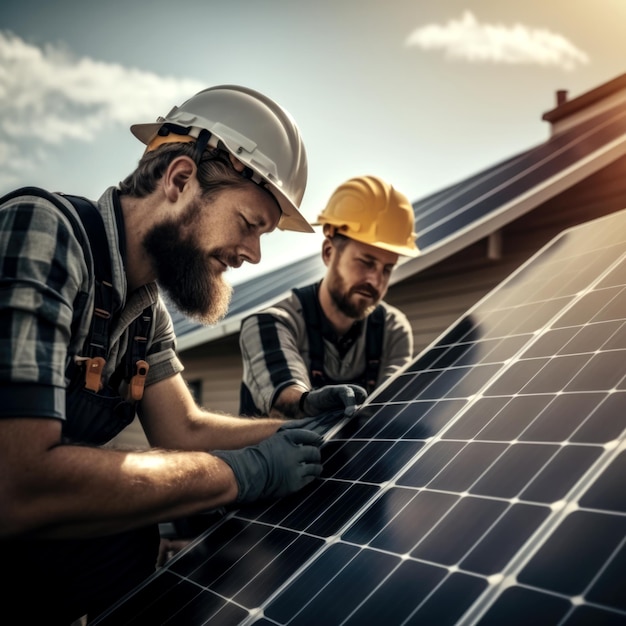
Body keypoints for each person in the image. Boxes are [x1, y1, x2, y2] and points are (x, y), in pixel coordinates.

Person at [0, 85, 344, 625]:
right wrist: (241, 473)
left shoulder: (143, 310)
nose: (253, 255)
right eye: (250, 224)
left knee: (128, 541)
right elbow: (16, 481)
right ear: (180, 181)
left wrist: (294, 425)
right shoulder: (43, 231)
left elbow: (183, 430)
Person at [239, 174, 419, 419]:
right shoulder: (271, 323)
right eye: (366, 263)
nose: (376, 281)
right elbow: (284, 400)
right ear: (328, 252)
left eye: (387, 269)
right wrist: (311, 403)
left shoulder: (392, 330)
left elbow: (387, 412)